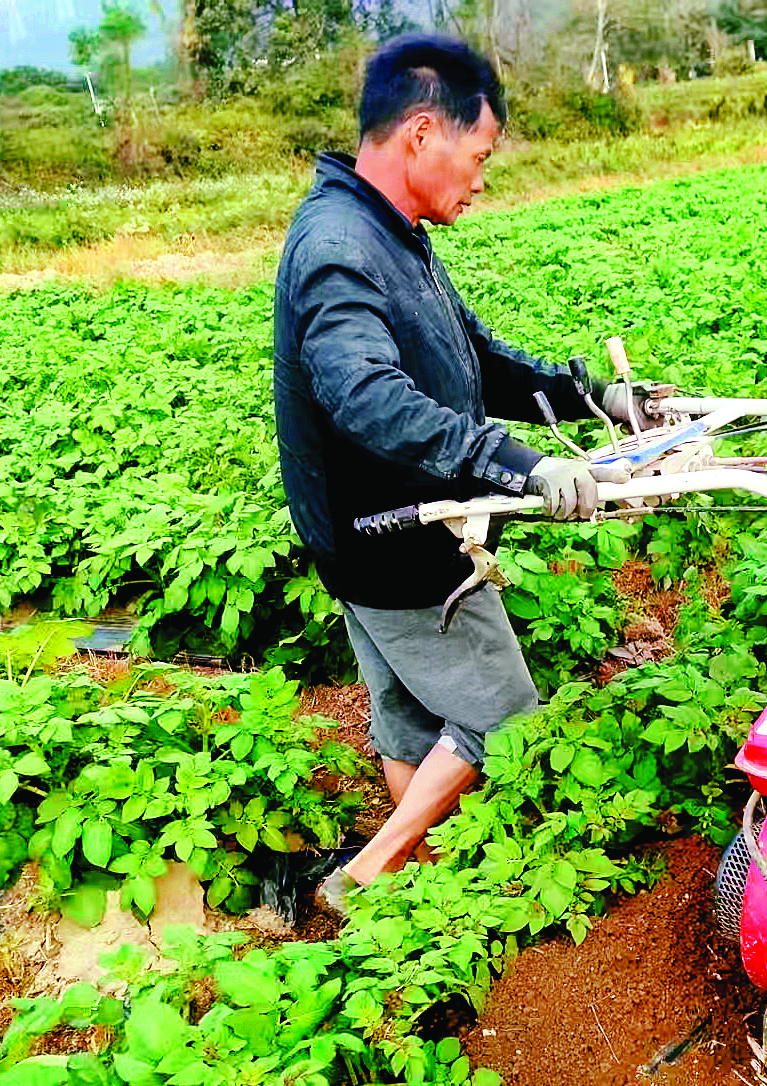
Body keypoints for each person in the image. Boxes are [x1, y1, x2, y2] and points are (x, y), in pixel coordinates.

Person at [272, 34, 649, 912]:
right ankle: (368, 876)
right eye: (477, 156)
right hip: (401, 537)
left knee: (408, 712)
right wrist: (513, 464)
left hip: (367, 533)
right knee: (504, 719)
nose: (480, 179)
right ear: (420, 134)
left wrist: (591, 398)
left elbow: (474, 357)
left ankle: (416, 897)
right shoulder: (340, 246)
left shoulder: (385, 232)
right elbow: (364, 396)